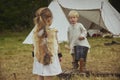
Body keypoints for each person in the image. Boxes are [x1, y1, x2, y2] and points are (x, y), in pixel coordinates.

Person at [32, 7, 62, 80]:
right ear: (49, 19)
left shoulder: (36, 31)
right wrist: (59, 54)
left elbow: (33, 44)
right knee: (49, 76)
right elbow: (56, 45)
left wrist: (33, 53)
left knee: (40, 75)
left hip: (39, 57)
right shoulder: (52, 32)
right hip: (50, 58)